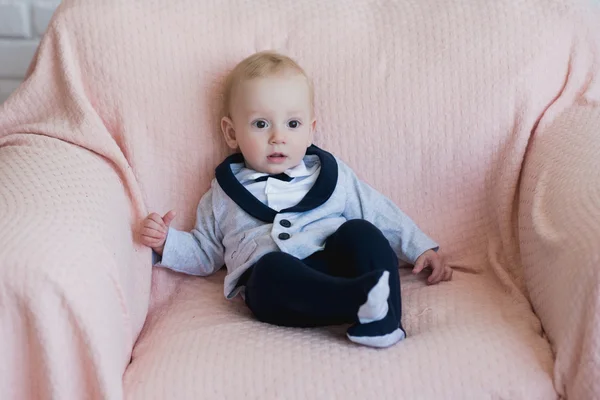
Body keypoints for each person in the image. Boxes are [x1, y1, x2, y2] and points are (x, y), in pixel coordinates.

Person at [140, 51, 452, 348]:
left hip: (335, 262)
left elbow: (378, 211)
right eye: (261, 124)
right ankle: (360, 301)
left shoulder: (331, 175)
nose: (278, 136)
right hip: (281, 286)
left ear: (310, 130)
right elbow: (205, 252)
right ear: (232, 133)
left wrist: (419, 246)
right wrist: (167, 243)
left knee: (363, 231)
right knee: (268, 270)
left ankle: (385, 320)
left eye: (292, 124)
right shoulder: (222, 194)